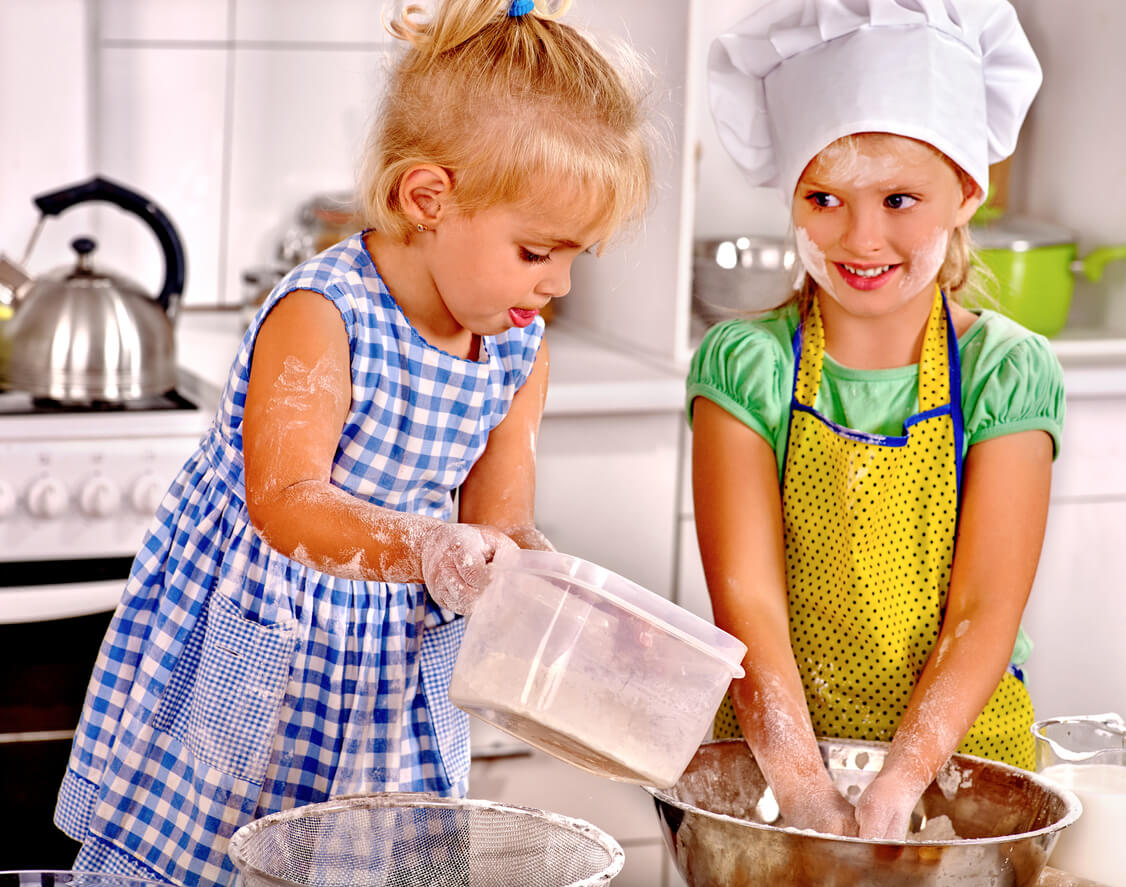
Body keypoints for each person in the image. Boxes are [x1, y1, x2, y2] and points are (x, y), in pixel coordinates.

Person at [52, 1, 653, 882]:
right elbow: (286, 503)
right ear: (428, 197)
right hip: (269, 642)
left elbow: (500, 525)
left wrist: (558, 596)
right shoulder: (324, 314)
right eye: (536, 251)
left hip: (392, 678)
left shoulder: (518, 348)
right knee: (220, 862)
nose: (555, 285)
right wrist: (429, 543)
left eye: (576, 258)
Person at [689, 0, 1062, 841]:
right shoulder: (746, 369)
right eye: (823, 197)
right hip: (777, 761)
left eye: (899, 198)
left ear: (965, 192)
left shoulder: (1006, 375)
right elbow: (746, 603)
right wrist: (805, 791)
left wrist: (898, 781)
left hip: (961, 768)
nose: (861, 237)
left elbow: (982, 610)